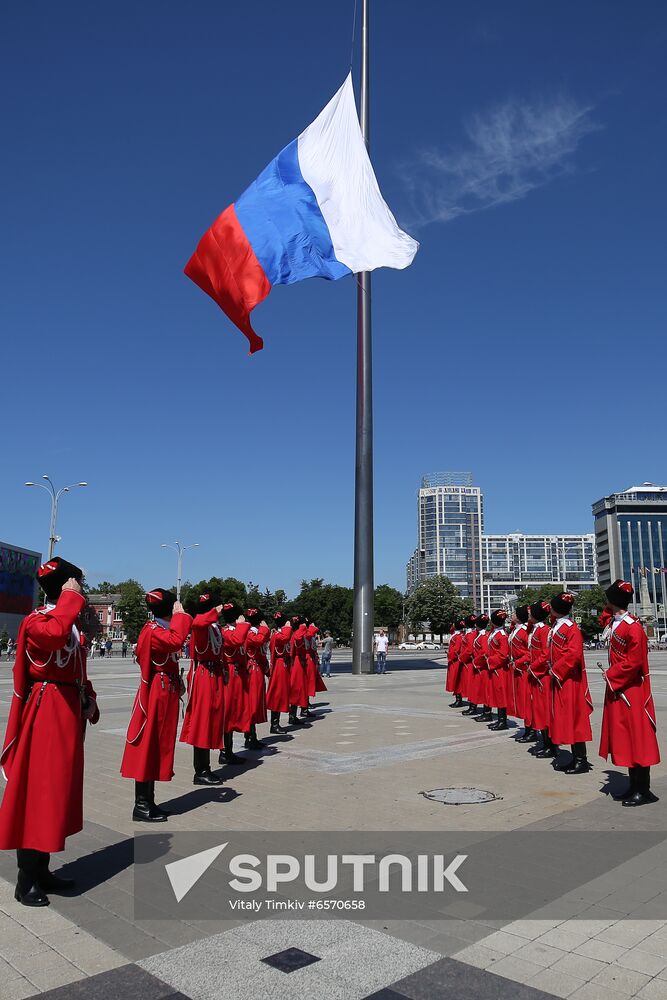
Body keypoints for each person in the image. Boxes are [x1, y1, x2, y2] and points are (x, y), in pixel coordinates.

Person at [0, 557, 99, 906]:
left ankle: (42, 869)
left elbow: (77, 666)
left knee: (56, 791)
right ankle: (25, 880)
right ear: (66, 586)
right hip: (46, 712)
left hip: (67, 708)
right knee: (39, 791)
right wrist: (71, 599)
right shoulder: (38, 620)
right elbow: (54, 637)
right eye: (76, 583)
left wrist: (90, 698)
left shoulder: (69, 622)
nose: (81, 589)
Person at [120, 588, 192, 821]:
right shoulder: (153, 630)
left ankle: (149, 801)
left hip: (164, 689)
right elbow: (175, 642)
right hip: (155, 694)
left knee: (157, 746)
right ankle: (141, 804)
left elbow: (170, 655)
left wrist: (177, 680)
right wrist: (181, 617)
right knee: (148, 746)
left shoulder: (160, 628)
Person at [599, 579, 661, 806]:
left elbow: (634, 662)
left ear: (614, 601)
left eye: (609, 598)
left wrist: (612, 675)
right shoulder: (617, 622)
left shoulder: (632, 627)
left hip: (632, 690)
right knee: (626, 737)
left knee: (638, 737)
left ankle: (643, 789)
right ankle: (633, 785)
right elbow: (605, 617)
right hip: (621, 688)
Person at [180, 593, 225, 785]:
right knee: (202, 721)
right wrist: (214, 612)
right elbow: (197, 623)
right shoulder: (202, 625)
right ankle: (201, 770)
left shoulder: (214, 628)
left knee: (212, 720)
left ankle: (206, 766)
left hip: (214, 673)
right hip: (204, 674)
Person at [549, 592, 593, 775]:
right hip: (561, 680)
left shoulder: (570, 628)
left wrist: (556, 670)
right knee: (567, 719)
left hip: (569, 681)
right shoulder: (558, 626)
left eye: (552, 606)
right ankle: (575, 758)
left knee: (574, 719)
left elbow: (573, 655)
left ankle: (581, 760)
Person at [220, 604, 251, 764]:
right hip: (231, 673)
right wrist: (243, 624)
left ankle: (229, 750)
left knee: (235, 711)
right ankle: (225, 751)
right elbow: (237, 641)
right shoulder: (226, 631)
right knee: (229, 712)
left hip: (238, 672)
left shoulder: (234, 630)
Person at [526, 600, 554, 759]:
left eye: (531, 612)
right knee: (539, 710)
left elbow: (545, 653)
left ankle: (550, 745)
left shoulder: (544, 631)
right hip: (536, 676)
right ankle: (545, 743)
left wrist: (534, 666)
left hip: (542, 677)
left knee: (544, 712)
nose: (528, 614)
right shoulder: (536, 630)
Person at [245, 608, 270, 749]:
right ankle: (249, 736)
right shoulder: (251, 632)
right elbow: (259, 641)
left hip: (257, 667)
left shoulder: (252, 631)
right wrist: (265, 630)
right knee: (252, 704)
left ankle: (252, 735)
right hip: (252, 668)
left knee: (255, 702)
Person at [510, 606, 534, 742]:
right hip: (518, 670)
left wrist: (518, 662)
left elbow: (528, 653)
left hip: (524, 670)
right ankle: (527, 728)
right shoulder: (516, 630)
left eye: (514, 613)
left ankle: (531, 730)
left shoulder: (524, 631)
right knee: (522, 701)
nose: (512, 614)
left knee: (527, 701)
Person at [267, 612, 292, 733]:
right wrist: (287, 627)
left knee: (282, 694)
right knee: (277, 695)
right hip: (279, 666)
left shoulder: (279, 633)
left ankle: (276, 722)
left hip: (284, 665)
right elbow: (286, 637)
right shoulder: (278, 635)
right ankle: (274, 724)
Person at [487, 609, 510, 730]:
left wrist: (490, 661)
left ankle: (503, 721)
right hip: (495, 669)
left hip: (500, 670)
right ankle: (500, 719)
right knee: (497, 694)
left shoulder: (501, 635)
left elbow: (503, 654)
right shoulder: (495, 633)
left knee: (501, 694)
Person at [470, 614, 491, 721]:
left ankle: (487, 712)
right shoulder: (482, 635)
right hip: (480, 667)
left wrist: (476, 662)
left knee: (485, 690)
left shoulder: (483, 636)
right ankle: (485, 711)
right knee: (482, 690)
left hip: (482, 667)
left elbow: (484, 652)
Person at [288, 616, 309, 726]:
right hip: (296, 663)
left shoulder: (295, 633)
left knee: (298, 690)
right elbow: (298, 638)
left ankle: (294, 715)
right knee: (296, 690)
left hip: (298, 662)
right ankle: (292, 716)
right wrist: (303, 627)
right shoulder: (297, 634)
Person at [459, 615, 480, 714]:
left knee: (471, 686)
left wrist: (461, 658)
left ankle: (473, 706)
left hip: (469, 663)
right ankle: (472, 705)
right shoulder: (470, 633)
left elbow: (469, 649)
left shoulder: (471, 634)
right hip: (467, 663)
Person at [446, 619, 465, 708]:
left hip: (455, 661)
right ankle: (458, 698)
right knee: (455, 680)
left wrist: (449, 655)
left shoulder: (458, 636)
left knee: (457, 680)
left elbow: (456, 649)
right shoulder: (457, 634)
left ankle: (459, 699)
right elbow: (451, 629)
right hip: (453, 660)